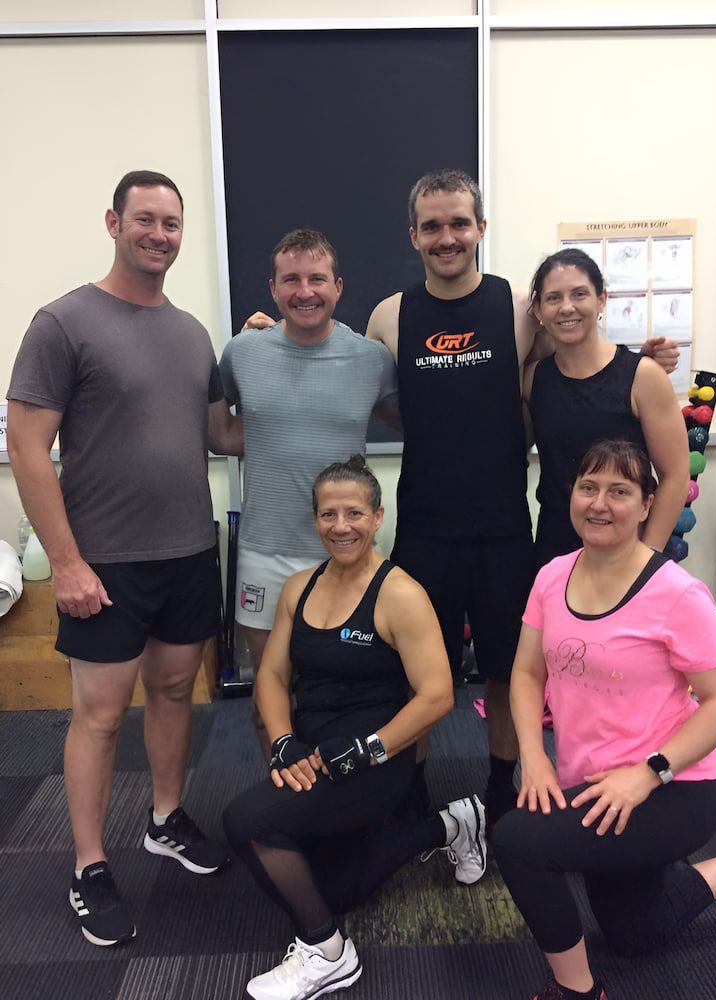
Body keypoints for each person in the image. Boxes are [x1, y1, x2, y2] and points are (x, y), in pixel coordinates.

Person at [365, 168, 679, 826]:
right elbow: (368, 392)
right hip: (423, 526)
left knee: (511, 672)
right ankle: (410, 794)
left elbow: (577, 359)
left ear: (480, 228)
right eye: (432, 226)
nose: (446, 236)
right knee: (424, 676)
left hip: (507, 528)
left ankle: (504, 789)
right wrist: (269, 330)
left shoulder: (516, 308)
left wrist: (638, 360)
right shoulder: (388, 317)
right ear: (413, 235)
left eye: (458, 223)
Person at [6, 171, 239, 947]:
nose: (160, 235)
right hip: (103, 563)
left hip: (187, 550)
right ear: (114, 222)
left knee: (175, 691)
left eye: (172, 224)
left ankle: (166, 819)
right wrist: (67, 564)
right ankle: (89, 865)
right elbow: (27, 449)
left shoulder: (191, 333)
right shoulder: (63, 322)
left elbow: (217, 436)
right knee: (100, 717)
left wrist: (293, 363)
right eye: (146, 220)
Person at [223, 456, 487, 1000]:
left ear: (377, 517)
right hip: (314, 754)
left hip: (375, 761)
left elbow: (437, 694)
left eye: (354, 514)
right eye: (328, 515)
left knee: (246, 820)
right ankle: (450, 825)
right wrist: (282, 742)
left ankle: (326, 951)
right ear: (315, 519)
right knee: (336, 888)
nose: (340, 526)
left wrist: (368, 750)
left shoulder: (400, 594)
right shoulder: (300, 587)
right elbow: (271, 674)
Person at [490, 439, 716, 1000]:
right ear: (571, 495)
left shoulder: (677, 594)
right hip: (597, 782)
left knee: (518, 842)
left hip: (674, 786)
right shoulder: (553, 576)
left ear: (647, 505)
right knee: (635, 935)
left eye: (620, 491)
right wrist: (532, 755)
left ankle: (578, 991)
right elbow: (528, 674)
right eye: (589, 487)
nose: (600, 503)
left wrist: (649, 772)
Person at [219, 229, 399, 749]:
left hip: (348, 553)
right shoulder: (243, 353)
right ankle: (286, 802)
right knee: (271, 702)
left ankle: (344, 801)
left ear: (338, 287)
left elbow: (412, 420)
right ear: (272, 289)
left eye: (317, 279)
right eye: (291, 280)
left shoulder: (371, 359)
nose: (305, 291)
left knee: (353, 696)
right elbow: (220, 430)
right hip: (265, 551)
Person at [525, 248, 689, 568]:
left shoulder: (643, 377)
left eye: (580, 294)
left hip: (627, 551)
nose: (567, 307)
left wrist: (647, 558)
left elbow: (676, 475)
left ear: (601, 300)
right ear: (538, 310)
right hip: (555, 552)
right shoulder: (533, 379)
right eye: (553, 298)